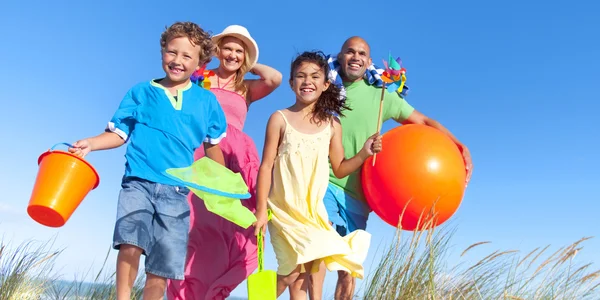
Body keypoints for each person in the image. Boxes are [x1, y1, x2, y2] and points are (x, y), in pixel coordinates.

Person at [68, 22, 228, 300]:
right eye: (171, 52)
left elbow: (212, 147)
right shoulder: (141, 92)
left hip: (177, 192)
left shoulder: (207, 102)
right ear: (162, 52)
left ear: (200, 62)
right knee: (130, 241)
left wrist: (224, 183)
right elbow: (118, 134)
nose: (177, 60)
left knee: (162, 265)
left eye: (186, 56)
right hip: (138, 183)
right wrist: (91, 143)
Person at [309, 36, 474, 300]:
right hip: (324, 181)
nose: (356, 57)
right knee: (319, 250)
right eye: (350, 52)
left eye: (362, 53)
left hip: (360, 195)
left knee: (349, 268)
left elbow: (422, 121)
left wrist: (458, 144)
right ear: (340, 57)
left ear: (369, 61)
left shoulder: (382, 94)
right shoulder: (325, 90)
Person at [166, 25, 282, 300]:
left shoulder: (246, 88)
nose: (232, 54)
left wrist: (249, 63)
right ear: (217, 50)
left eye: (239, 50)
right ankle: (186, 292)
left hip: (236, 160)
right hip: (201, 156)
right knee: (195, 225)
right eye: (227, 48)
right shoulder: (199, 79)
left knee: (233, 228)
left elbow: (275, 78)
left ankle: (214, 292)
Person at [255, 51, 382, 300]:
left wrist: (364, 153)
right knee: (291, 273)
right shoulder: (279, 119)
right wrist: (261, 210)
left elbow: (340, 168)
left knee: (303, 275)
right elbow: (266, 166)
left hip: (312, 214)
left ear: (325, 85)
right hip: (282, 211)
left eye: (314, 76)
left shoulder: (332, 125)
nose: (307, 81)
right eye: (300, 76)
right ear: (291, 83)